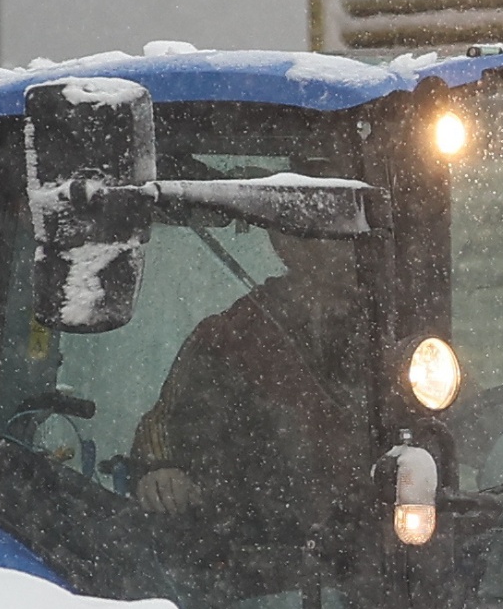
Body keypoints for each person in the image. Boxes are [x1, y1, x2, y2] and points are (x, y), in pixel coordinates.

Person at [131, 227, 366, 556]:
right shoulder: (229, 338)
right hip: (263, 554)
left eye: (353, 235)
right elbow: (163, 433)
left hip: (378, 551)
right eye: (332, 234)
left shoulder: (402, 337)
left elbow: (443, 426)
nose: (348, 250)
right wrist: (163, 471)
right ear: (285, 243)